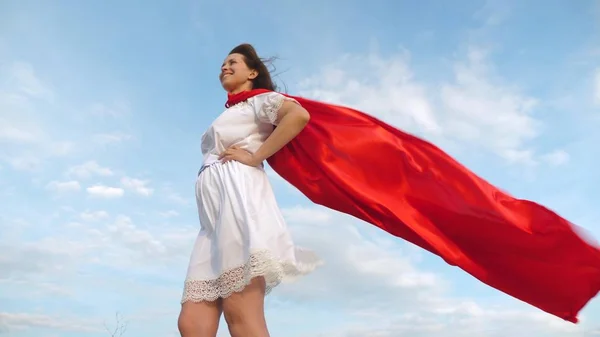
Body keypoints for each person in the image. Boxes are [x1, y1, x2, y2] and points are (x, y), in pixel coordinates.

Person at [177, 44, 321, 337]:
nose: (224, 67)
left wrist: (256, 156)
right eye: (222, 64)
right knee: (192, 323)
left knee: (240, 312)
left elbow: (298, 116)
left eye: (232, 62)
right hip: (211, 223)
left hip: (239, 204)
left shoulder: (260, 101)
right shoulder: (233, 111)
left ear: (253, 72)